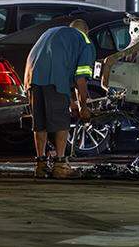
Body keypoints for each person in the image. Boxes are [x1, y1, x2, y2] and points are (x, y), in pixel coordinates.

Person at [23, 18, 95, 179]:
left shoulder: (52, 32)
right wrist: (83, 106)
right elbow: (80, 78)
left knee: (39, 123)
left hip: (32, 78)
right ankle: (60, 165)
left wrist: (70, 102)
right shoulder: (84, 41)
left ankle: (41, 165)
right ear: (86, 31)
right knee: (62, 123)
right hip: (55, 78)